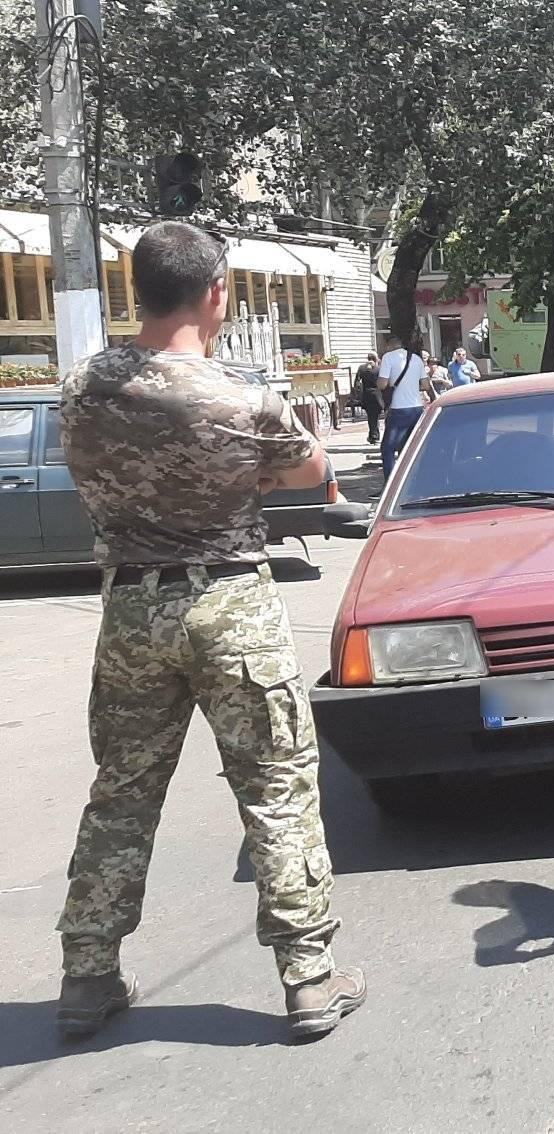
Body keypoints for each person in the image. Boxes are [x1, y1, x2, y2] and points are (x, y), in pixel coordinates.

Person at [53, 221, 364, 1042]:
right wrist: (238, 471)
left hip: (130, 612)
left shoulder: (83, 386)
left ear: (134, 291)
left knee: (120, 793)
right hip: (231, 605)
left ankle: (86, 976)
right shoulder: (242, 396)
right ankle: (308, 980)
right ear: (217, 290)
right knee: (276, 790)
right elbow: (313, 473)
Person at [376, 336, 431, 471]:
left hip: (398, 408)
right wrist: (411, 386)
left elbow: (382, 384)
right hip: (417, 408)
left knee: (387, 448)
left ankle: (391, 483)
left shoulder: (388, 357)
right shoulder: (416, 359)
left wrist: (380, 383)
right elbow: (425, 385)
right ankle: (411, 479)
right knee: (410, 447)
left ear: (390, 345)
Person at [350, 352, 382, 444]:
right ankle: (374, 435)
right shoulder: (378, 369)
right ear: (376, 358)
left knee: (371, 416)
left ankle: (373, 435)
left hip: (366, 394)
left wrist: (357, 393)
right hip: (377, 395)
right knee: (376, 416)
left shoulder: (361, 368)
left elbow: (356, 382)